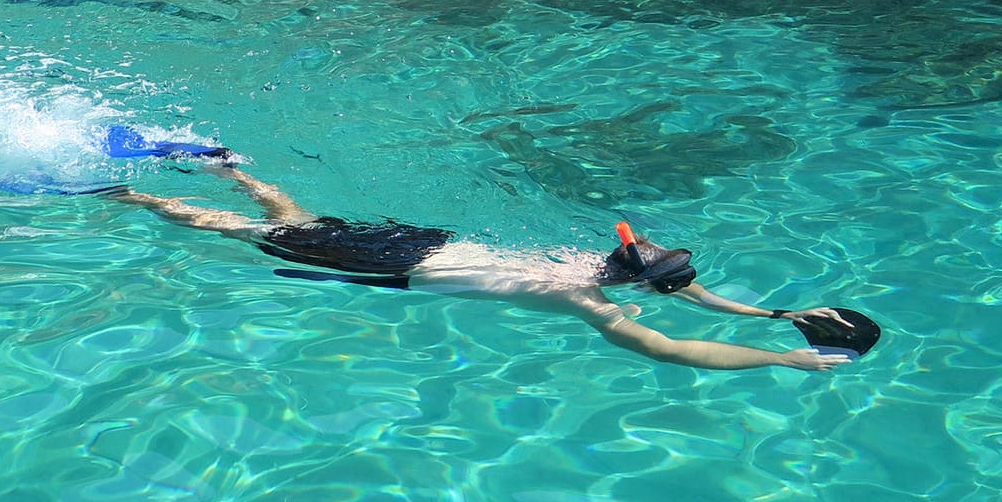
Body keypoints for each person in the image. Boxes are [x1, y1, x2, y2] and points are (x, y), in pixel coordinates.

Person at [105, 160, 857, 373]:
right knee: (245, 235)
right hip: (408, 269)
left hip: (422, 240)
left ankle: (227, 163)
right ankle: (132, 192)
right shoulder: (587, 304)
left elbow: (690, 294)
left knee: (295, 220)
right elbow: (682, 347)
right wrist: (780, 359)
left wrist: (774, 316)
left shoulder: (585, 265)